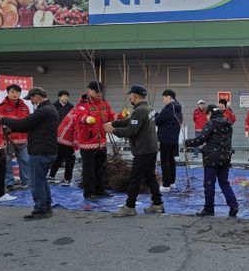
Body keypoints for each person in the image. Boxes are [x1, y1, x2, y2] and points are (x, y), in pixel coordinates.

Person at [0, 87, 59, 220]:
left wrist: (3, 120)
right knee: (41, 180)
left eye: (31, 98)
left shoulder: (43, 110)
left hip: (40, 151)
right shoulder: (49, 109)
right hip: (47, 150)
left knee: (36, 182)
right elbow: (32, 127)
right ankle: (46, 206)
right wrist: (12, 128)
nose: (31, 101)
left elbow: (24, 123)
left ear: (37, 96)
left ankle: (40, 209)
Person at [107, 85, 165, 217]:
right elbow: (132, 121)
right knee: (150, 176)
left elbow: (131, 131)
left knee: (135, 178)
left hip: (143, 150)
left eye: (131, 96)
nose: (130, 98)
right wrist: (115, 123)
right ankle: (157, 204)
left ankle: (130, 206)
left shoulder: (139, 111)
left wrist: (113, 130)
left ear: (135, 96)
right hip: (151, 148)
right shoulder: (149, 108)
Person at [185, 104, 238, 217]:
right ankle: (233, 205)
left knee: (209, 184)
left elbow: (200, 139)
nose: (207, 117)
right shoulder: (227, 123)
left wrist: (187, 142)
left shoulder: (210, 124)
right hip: (225, 157)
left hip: (212, 158)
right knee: (224, 182)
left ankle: (209, 208)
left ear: (210, 113)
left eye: (207, 115)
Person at [74, 81, 115, 200]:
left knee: (101, 168)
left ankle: (100, 189)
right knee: (89, 170)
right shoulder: (82, 105)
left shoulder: (104, 104)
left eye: (100, 91)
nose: (98, 93)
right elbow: (79, 116)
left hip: (101, 142)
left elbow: (111, 117)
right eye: (96, 91)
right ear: (89, 90)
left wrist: (122, 116)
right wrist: (86, 118)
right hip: (87, 142)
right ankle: (89, 192)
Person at [0, 84, 30, 189]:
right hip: (8, 139)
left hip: (23, 139)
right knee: (7, 162)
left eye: (17, 92)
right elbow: (0, 123)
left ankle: (26, 182)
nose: (14, 94)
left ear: (20, 93)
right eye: (12, 92)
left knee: (25, 160)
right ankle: (9, 183)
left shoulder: (24, 106)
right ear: (8, 93)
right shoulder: (2, 107)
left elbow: (28, 122)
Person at [155, 89, 182, 193]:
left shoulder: (168, 109)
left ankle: (166, 184)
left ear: (169, 97)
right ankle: (172, 182)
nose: (163, 100)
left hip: (165, 139)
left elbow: (157, 121)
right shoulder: (177, 108)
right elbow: (164, 118)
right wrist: (157, 114)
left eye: (164, 98)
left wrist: (154, 114)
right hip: (173, 139)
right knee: (171, 161)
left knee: (165, 162)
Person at [49, 108, 77, 186]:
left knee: (59, 158)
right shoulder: (81, 114)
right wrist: (76, 147)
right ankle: (67, 179)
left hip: (60, 136)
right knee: (70, 160)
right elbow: (76, 131)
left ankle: (51, 176)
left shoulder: (75, 110)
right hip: (67, 139)